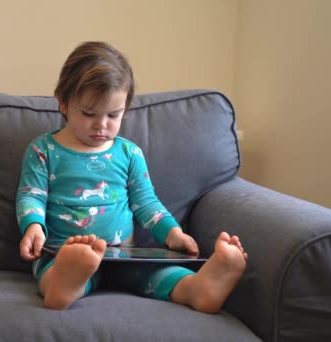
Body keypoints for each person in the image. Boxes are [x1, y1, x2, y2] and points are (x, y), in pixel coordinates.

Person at [16, 41, 247, 312]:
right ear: (63, 102)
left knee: (158, 274)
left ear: (126, 107)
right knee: (52, 271)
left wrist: (173, 233)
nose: (101, 125)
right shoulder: (43, 150)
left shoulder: (129, 153)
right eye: (89, 113)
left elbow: (146, 202)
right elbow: (31, 195)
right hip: (63, 253)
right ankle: (65, 285)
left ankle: (198, 289)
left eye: (113, 115)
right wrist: (33, 227)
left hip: (124, 257)